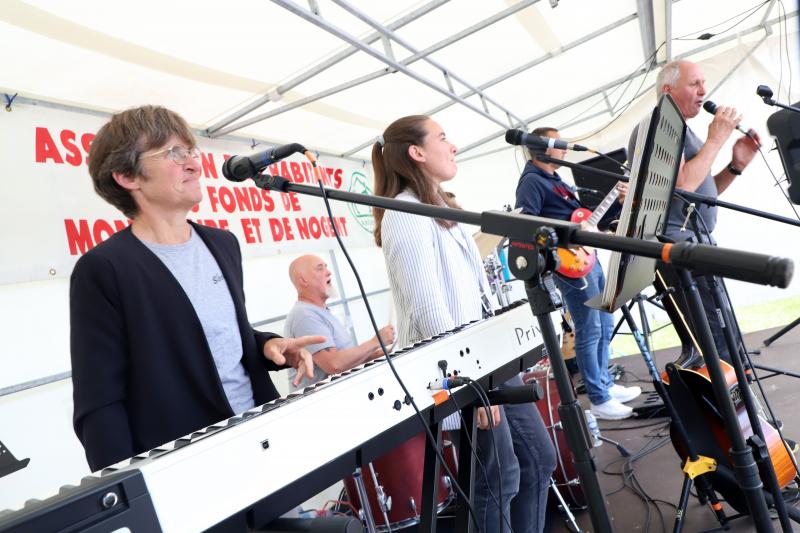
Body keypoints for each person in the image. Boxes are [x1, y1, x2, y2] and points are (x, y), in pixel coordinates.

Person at [71, 105, 323, 472]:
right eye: (174, 153)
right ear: (127, 176)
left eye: (191, 151)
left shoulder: (223, 244)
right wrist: (130, 496)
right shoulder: (104, 269)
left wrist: (268, 344)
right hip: (188, 467)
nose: (193, 163)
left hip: (262, 439)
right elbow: (100, 403)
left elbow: (215, 336)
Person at [372, 115, 556, 533]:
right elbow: (428, 310)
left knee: (537, 459)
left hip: (490, 364)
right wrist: (470, 386)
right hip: (462, 375)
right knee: (498, 480)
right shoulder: (405, 214)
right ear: (416, 153)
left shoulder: (438, 209)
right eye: (442, 137)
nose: (452, 145)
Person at [627, 59, 761, 363]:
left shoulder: (678, 129)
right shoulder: (660, 126)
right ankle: (732, 403)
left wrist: (735, 166)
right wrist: (716, 139)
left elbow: (701, 192)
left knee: (726, 332)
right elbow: (683, 185)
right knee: (716, 341)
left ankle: (740, 393)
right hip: (680, 248)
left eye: (703, 83)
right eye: (694, 84)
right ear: (668, 90)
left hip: (696, 242)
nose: (703, 91)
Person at [515, 127, 641, 421]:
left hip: (587, 259)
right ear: (542, 148)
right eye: (559, 144)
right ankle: (598, 398)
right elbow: (528, 227)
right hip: (569, 265)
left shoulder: (556, 180)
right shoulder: (532, 182)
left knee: (606, 322)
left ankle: (605, 385)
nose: (565, 149)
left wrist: (617, 205)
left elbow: (586, 224)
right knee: (590, 328)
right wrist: (563, 245)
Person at [284, 254, 395, 390]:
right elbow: (334, 364)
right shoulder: (305, 315)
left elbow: (341, 362)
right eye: (320, 269)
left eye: (326, 267)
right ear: (303, 280)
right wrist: (376, 341)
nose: (328, 272)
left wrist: (370, 355)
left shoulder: (320, 311)